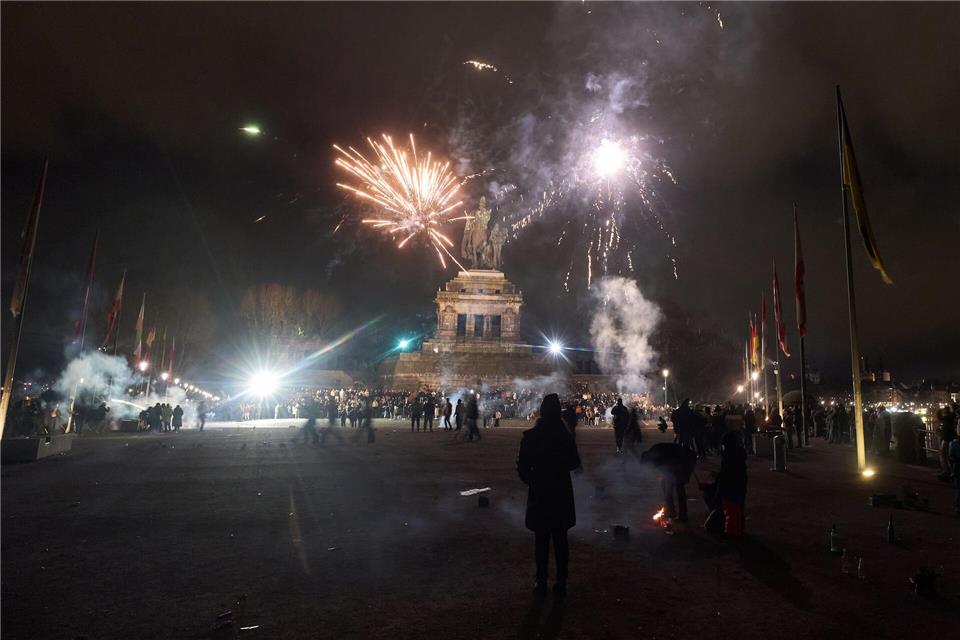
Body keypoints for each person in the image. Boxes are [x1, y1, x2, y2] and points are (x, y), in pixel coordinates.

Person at [516, 393, 581, 597]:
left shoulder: (532, 436)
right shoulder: (565, 436)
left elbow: (522, 467)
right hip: (560, 491)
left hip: (541, 491)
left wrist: (533, 481)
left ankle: (541, 580)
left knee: (541, 540)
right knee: (561, 541)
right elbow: (575, 463)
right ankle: (561, 582)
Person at [640, 442, 697, 522]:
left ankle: (683, 515)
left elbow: (669, 469)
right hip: (679, 461)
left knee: (679, 487)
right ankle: (672, 511)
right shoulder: (655, 452)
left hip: (686, 460)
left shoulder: (657, 454)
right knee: (667, 485)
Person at [716, 431, 748, 536]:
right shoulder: (739, 453)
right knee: (738, 507)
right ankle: (739, 529)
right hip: (740, 483)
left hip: (730, 485)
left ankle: (732, 532)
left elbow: (727, 471)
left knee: (731, 509)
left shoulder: (728, 454)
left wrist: (719, 479)